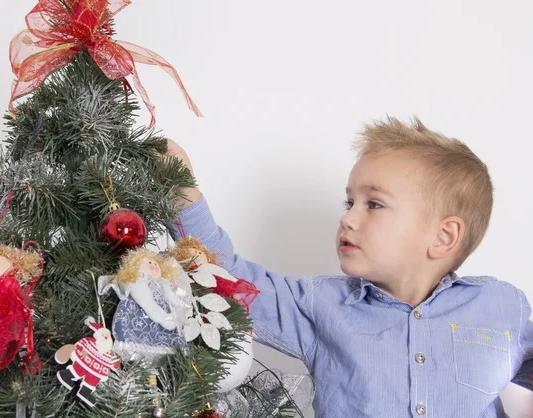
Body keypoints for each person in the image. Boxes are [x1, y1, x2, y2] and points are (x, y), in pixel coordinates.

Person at [166, 116, 533, 417]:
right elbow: (229, 277)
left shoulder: (502, 307)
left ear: (443, 237)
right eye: (349, 202)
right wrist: (183, 196)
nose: (349, 219)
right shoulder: (321, 305)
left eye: (373, 204)